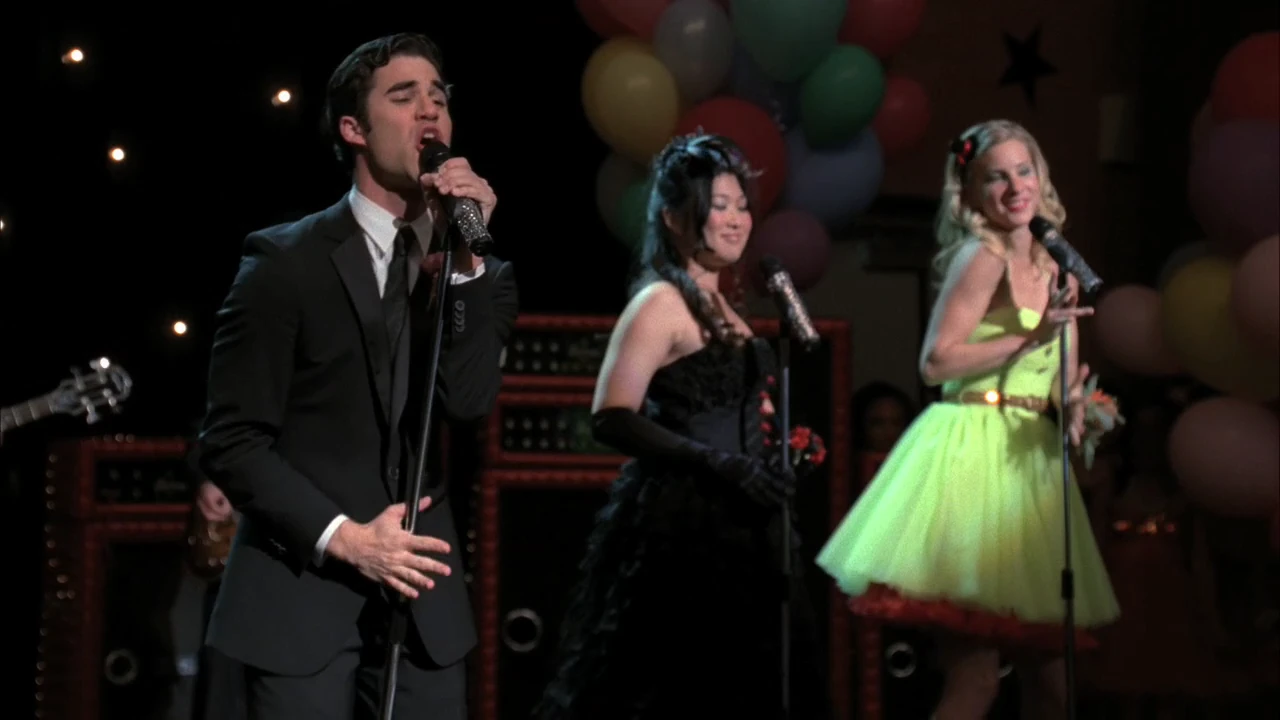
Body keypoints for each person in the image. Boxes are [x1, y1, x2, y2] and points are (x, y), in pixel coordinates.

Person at [198, 32, 518, 720]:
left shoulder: (480, 274)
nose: (429, 111)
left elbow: (467, 401)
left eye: (439, 98)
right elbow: (231, 442)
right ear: (354, 129)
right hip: (301, 593)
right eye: (404, 97)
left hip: (423, 606)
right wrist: (347, 538)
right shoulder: (285, 263)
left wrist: (464, 268)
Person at [815, 119, 1120, 720]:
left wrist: (1080, 408)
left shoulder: (1058, 265)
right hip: (974, 456)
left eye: (1023, 171)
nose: (1015, 187)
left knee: (1055, 689)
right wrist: (1029, 339)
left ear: (1041, 177)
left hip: (1031, 467)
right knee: (976, 680)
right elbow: (936, 362)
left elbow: (1060, 379)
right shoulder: (982, 257)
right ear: (973, 194)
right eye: (996, 178)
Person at [533, 133, 830, 719]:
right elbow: (612, 415)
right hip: (687, 523)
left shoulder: (729, 308)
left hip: (752, 522)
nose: (736, 219)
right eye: (719, 206)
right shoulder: (660, 303)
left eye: (741, 205)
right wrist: (716, 462)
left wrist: (788, 444)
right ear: (673, 217)